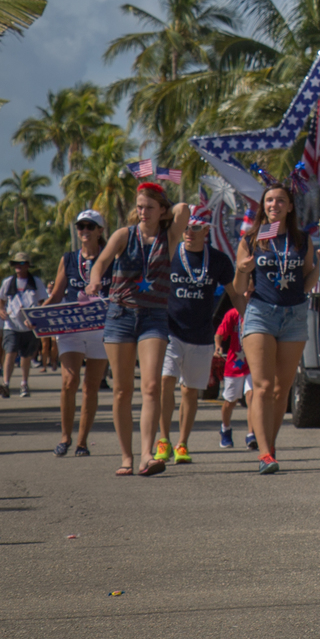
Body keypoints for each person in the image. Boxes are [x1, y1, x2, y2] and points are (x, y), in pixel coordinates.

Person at [87, 185, 177, 476]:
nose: (143, 212)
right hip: (120, 313)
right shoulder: (124, 235)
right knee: (122, 390)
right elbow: (100, 262)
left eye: (150, 207)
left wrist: (162, 199)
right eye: (139, 207)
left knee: (151, 386)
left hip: (154, 316)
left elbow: (184, 209)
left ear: (162, 210)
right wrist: (94, 280)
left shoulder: (169, 236)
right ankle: (126, 457)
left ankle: (147, 454)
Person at [229, 182, 313, 475]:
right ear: (262, 206)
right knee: (263, 386)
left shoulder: (302, 240)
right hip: (260, 313)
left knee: (281, 389)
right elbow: (239, 290)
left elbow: (307, 277)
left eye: (280, 200)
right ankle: (264, 453)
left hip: (294, 315)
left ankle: (270, 446)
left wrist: (315, 277)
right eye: (268, 201)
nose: (273, 205)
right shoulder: (251, 240)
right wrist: (243, 270)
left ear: (290, 206)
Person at [159, 206, 235, 465]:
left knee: (190, 392)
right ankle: (163, 440)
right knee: (165, 381)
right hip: (169, 331)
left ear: (206, 230)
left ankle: (182, 443)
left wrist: (248, 321)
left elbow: (234, 293)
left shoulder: (218, 260)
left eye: (194, 228)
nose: (188, 233)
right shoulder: (169, 254)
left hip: (201, 334)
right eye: (184, 227)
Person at [48, 211, 107, 456]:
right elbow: (57, 294)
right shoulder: (69, 259)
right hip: (70, 328)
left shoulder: (109, 258)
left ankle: (82, 442)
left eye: (90, 226)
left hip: (100, 328)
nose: (84, 230)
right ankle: (65, 437)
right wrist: (38, 315)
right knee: (69, 381)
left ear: (99, 231)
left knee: (91, 386)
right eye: (81, 225)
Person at [2, 252, 42, 398]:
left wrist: (35, 318)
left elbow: (42, 301)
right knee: (10, 352)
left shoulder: (36, 282)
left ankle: (24, 383)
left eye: (22, 263)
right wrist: (1, 310)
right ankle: (6, 384)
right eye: (16, 263)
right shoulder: (8, 282)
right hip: (11, 324)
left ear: (27, 266)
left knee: (27, 355)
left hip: (30, 326)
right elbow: (2, 299)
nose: (19, 266)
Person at [212, 304, 251, 450]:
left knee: (252, 398)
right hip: (235, 364)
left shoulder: (258, 312)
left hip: (252, 364)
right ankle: (225, 428)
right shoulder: (233, 314)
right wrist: (218, 345)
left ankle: (251, 434)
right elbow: (219, 333)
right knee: (230, 401)